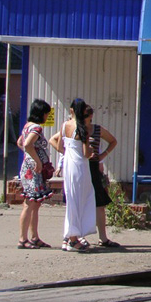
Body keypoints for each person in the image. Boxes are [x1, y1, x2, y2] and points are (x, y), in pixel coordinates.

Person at [49, 98, 97, 252]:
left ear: (71, 110)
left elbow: (58, 145)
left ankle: (69, 236)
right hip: (80, 166)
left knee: (71, 199)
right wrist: (91, 151)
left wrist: (69, 153)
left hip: (69, 165)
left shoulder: (65, 126)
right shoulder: (83, 128)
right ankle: (73, 239)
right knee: (82, 199)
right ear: (83, 111)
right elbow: (85, 152)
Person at [16, 99, 55, 249]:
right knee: (29, 203)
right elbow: (27, 144)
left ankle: (34, 236)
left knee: (35, 204)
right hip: (33, 171)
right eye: (46, 113)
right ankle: (23, 239)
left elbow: (20, 142)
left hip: (29, 169)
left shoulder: (27, 127)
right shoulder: (36, 128)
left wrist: (28, 158)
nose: (47, 116)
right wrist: (37, 161)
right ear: (42, 114)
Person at [83, 105, 121, 248]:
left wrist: (102, 155)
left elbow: (113, 141)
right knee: (83, 203)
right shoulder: (76, 129)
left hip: (93, 167)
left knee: (99, 204)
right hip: (81, 167)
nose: (84, 119)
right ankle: (80, 236)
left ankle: (103, 237)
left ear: (91, 116)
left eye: (86, 116)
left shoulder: (97, 129)